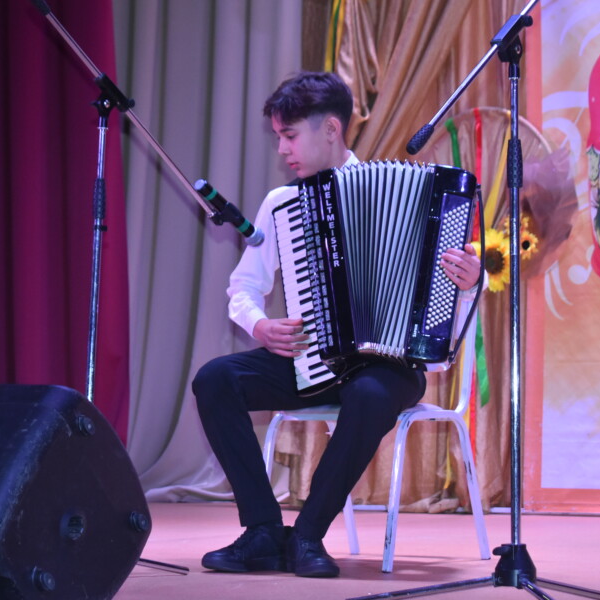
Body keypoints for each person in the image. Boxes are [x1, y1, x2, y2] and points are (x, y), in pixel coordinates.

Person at [192, 71, 481, 578]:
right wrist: (260, 327)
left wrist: (468, 282)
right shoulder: (282, 204)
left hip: (390, 366)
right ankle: (263, 530)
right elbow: (243, 288)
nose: (282, 149)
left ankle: (307, 534)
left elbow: (451, 303)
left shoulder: (416, 195)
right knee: (215, 379)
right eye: (278, 137)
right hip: (314, 360)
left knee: (368, 394)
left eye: (289, 135)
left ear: (330, 129)